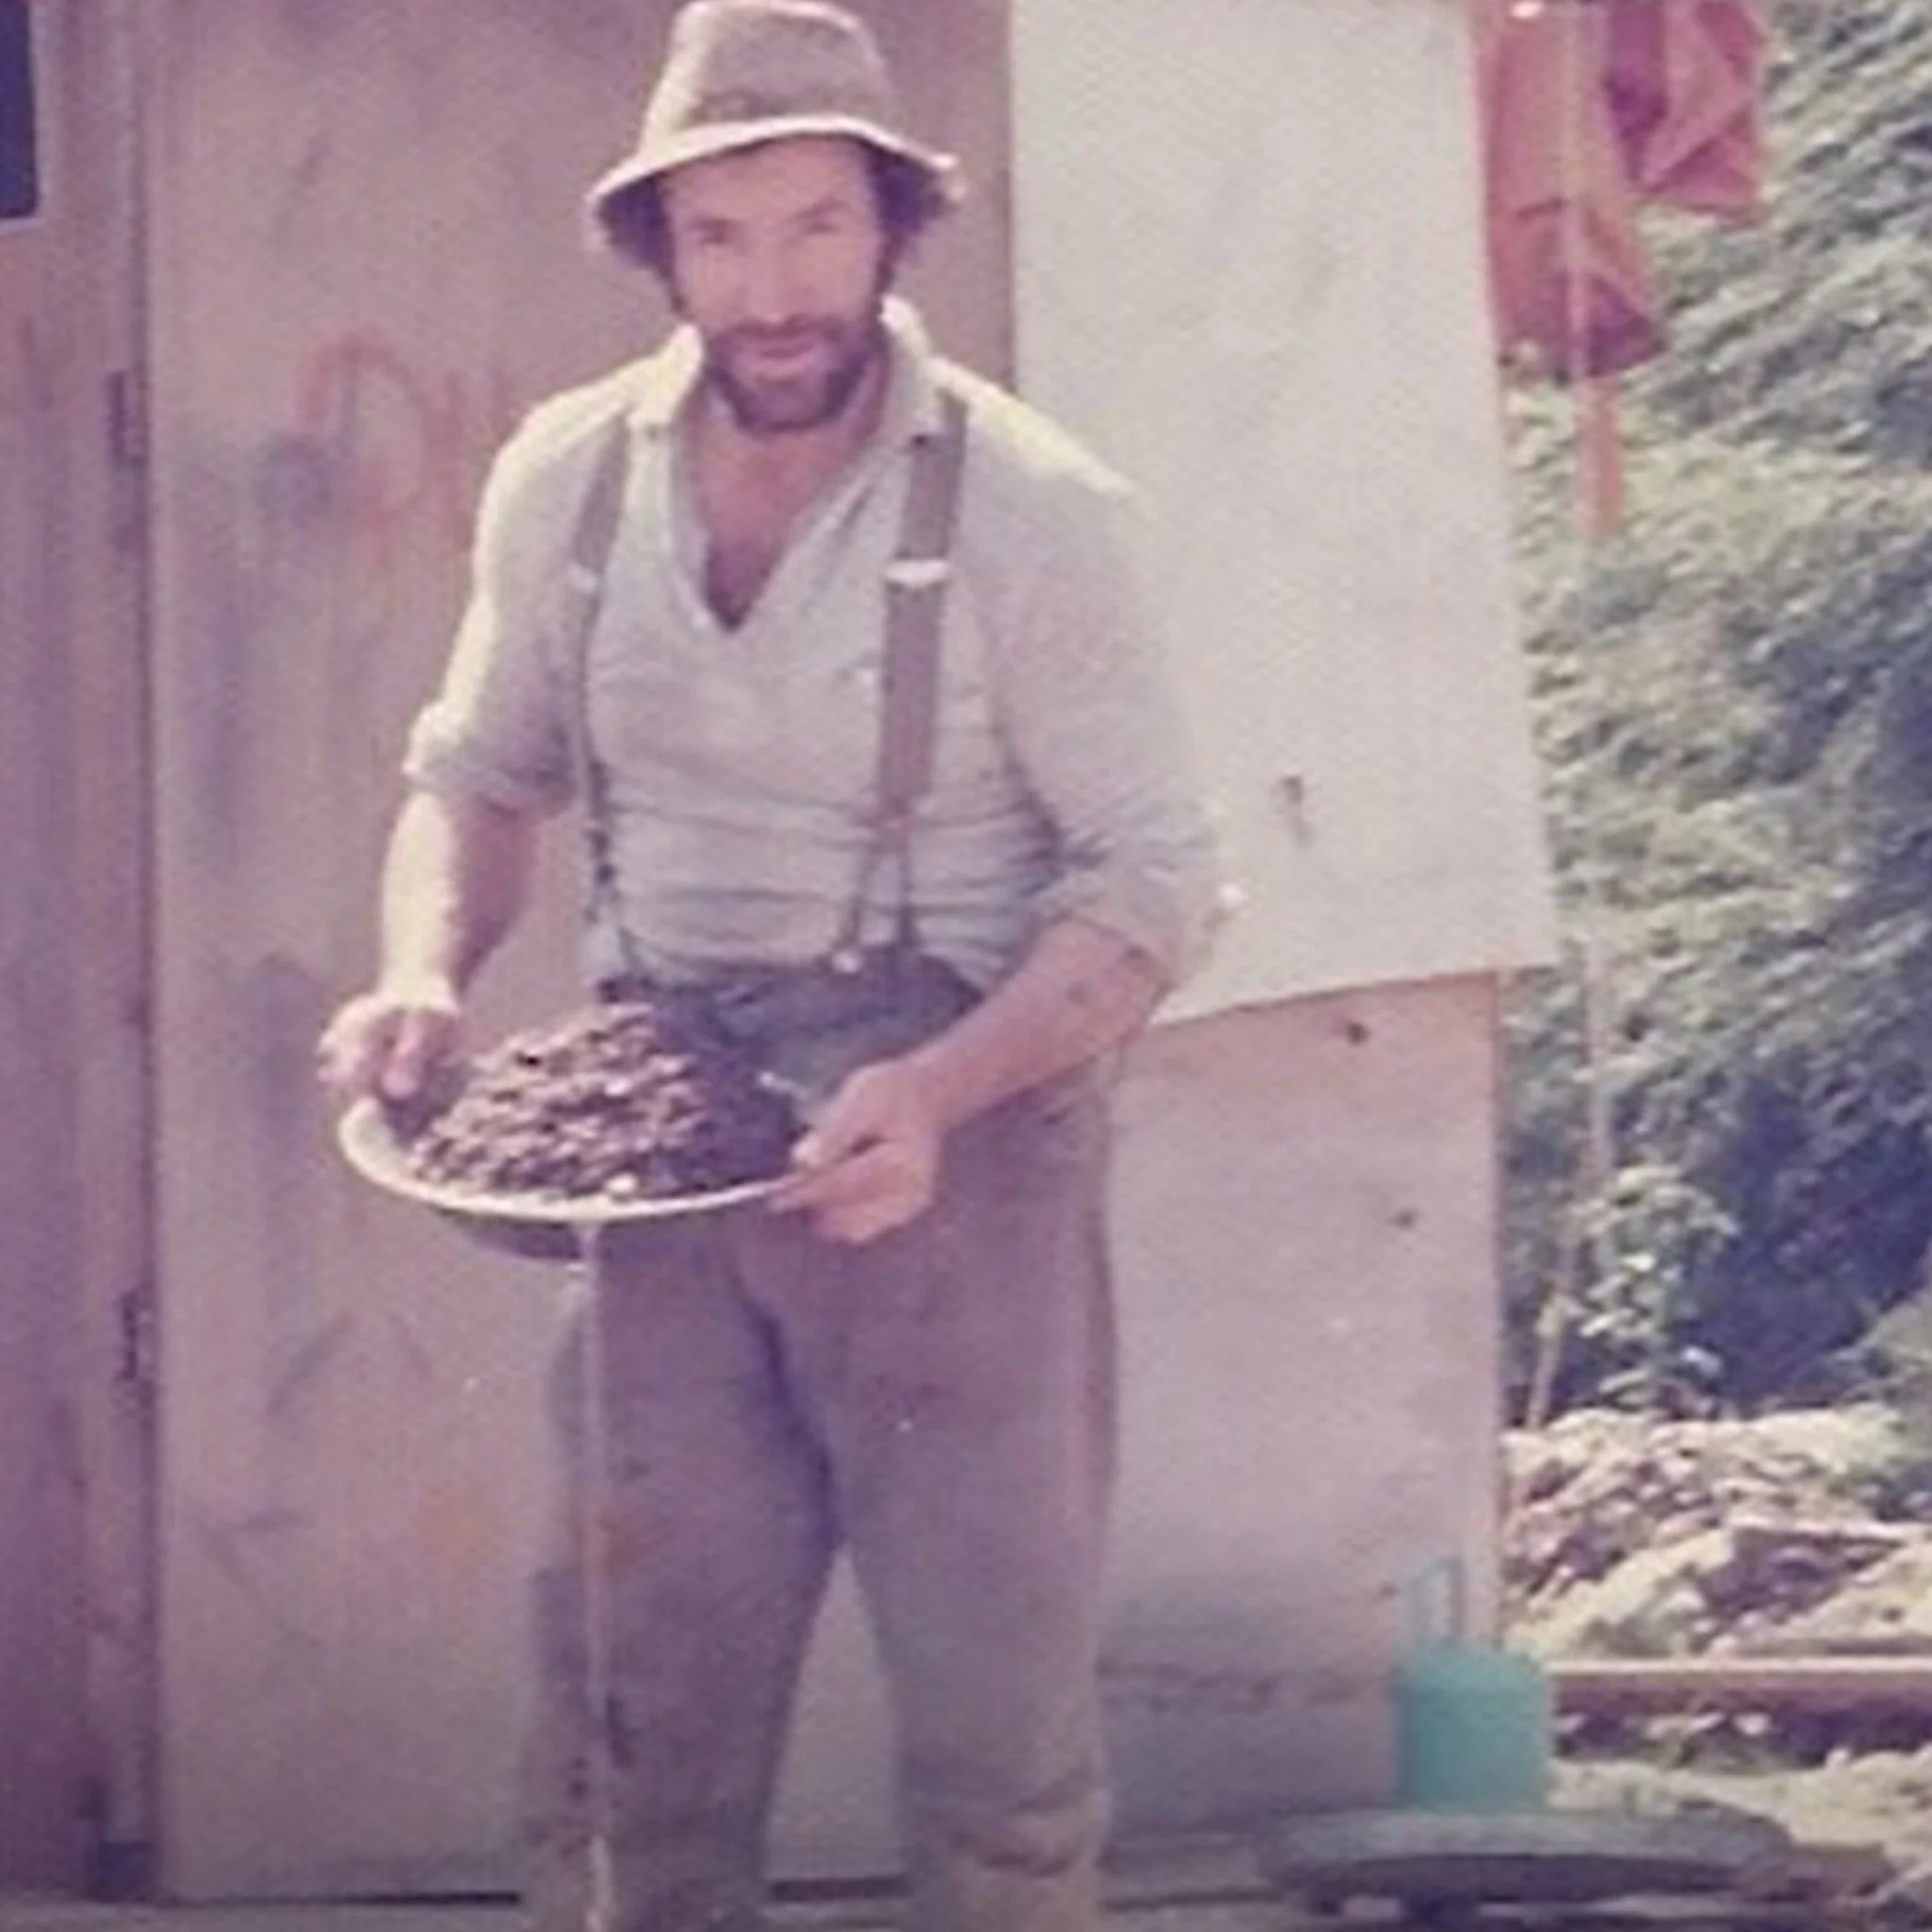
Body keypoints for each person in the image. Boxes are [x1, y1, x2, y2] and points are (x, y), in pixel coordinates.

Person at [316, 2, 1222, 1927]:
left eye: (817, 223)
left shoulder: (1035, 510)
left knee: (997, 1749)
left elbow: (1157, 881)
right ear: (659, 249)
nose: (775, 288)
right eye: (720, 236)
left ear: (894, 224)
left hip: (958, 1152)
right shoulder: (570, 478)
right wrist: (423, 974)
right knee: (633, 1737)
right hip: (663, 1152)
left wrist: (940, 1091)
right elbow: (473, 780)